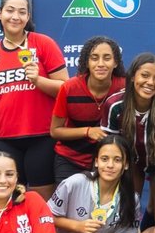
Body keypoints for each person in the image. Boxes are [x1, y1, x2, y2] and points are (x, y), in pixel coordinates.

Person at [0, 0, 69, 199]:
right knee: (9, 198)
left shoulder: (42, 43)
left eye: (22, 12)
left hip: (40, 136)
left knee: (40, 200)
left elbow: (65, 88)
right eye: (10, 11)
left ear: (28, 17)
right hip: (5, 137)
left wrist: (38, 81)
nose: (16, 16)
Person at [102, 53, 155, 217]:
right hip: (130, 162)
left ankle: (151, 228)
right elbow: (110, 149)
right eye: (145, 76)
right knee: (129, 207)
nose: (150, 83)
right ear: (132, 76)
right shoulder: (115, 104)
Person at [50, 35, 126, 182]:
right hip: (70, 159)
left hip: (109, 162)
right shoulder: (69, 88)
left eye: (107, 58)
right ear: (87, 62)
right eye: (94, 58)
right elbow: (55, 131)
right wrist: (88, 131)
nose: (101, 64)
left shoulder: (125, 87)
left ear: (115, 62)